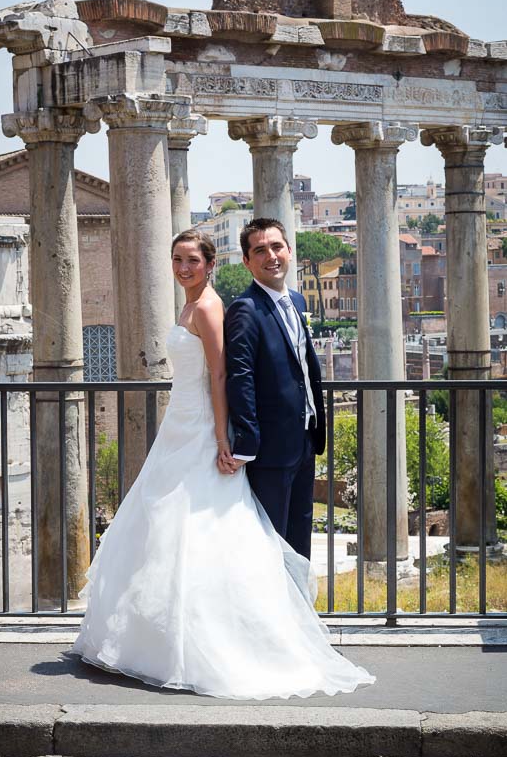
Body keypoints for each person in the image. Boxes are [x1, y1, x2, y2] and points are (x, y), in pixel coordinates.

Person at [72, 228, 375, 700]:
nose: (184, 267)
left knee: (260, 541)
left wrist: (224, 435)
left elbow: (229, 373)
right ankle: (258, 639)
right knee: (205, 535)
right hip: (190, 426)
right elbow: (229, 374)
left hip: (240, 432)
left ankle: (288, 635)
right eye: (177, 259)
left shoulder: (250, 303)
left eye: (192, 259)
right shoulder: (221, 307)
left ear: (211, 264)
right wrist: (228, 436)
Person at [225, 218, 325, 560]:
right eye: (260, 250)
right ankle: (271, 614)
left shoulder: (296, 301)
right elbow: (240, 377)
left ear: (289, 251)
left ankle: (299, 610)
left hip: (305, 438)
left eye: (277, 247)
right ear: (246, 261)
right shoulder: (245, 309)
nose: (271, 256)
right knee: (269, 541)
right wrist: (247, 441)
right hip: (269, 447)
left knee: (300, 537)